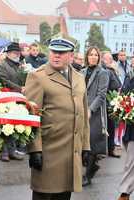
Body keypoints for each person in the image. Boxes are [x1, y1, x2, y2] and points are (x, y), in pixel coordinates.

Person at [25, 37, 90, 200]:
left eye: (61, 53)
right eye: (54, 51)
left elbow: (83, 115)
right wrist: (34, 149)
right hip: (49, 151)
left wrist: (86, 146)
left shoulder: (79, 78)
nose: (56, 56)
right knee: (44, 195)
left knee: (64, 196)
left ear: (71, 55)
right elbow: (31, 116)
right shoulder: (38, 77)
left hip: (71, 151)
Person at [82, 46, 109, 186]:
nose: (93, 57)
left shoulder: (103, 73)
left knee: (92, 143)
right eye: (91, 55)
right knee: (82, 142)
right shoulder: (82, 72)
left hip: (96, 112)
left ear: (99, 57)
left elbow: (101, 95)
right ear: (87, 57)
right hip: (81, 110)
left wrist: (90, 110)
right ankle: (92, 166)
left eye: (96, 55)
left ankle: (87, 175)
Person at [0, 42, 25, 162]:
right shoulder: (2, 65)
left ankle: (12, 150)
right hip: (6, 98)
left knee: (15, 125)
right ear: (8, 53)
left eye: (18, 53)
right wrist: (20, 88)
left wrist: (25, 74)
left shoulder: (18, 65)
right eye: (14, 53)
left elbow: (22, 79)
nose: (17, 55)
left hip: (18, 98)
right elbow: (4, 80)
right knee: (5, 125)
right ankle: (4, 152)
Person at [102, 52, 122, 158]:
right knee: (105, 127)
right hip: (106, 102)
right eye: (109, 59)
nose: (111, 61)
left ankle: (110, 149)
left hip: (112, 102)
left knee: (112, 127)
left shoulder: (111, 70)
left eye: (111, 59)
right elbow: (113, 85)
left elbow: (118, 84)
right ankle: (104, 150)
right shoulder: (105, 71)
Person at [117, 76, 134, 200]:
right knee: (131, 163)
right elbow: (123, 96)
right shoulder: (130, 78)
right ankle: (125, 193)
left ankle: (125, 193)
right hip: (132, 129)